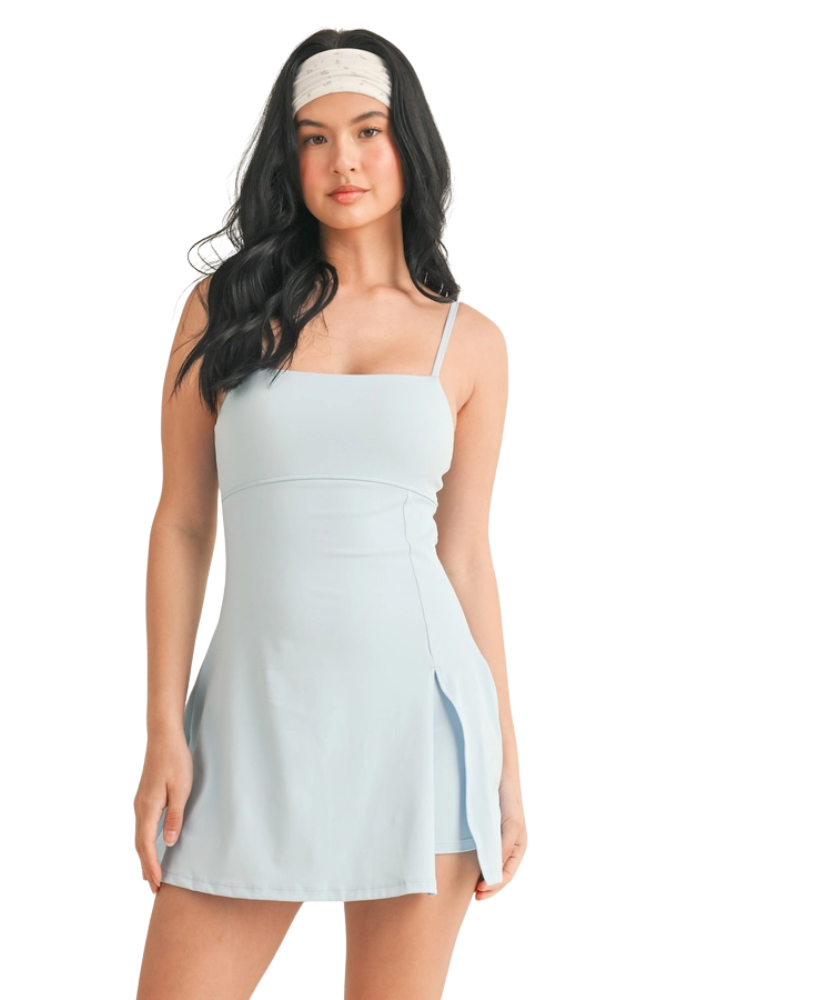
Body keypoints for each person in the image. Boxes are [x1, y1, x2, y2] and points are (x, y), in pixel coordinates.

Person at [135, 25, 527, 999]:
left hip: (421, 724)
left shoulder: (470, 344)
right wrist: (162, 728)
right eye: (313, 137)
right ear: (289, 158)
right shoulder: (220, 311)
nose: (342, 159)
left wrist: (507, 765)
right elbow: (181, 524)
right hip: (252, 716)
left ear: (408, 146)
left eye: (366, 130)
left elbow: (466, 557)